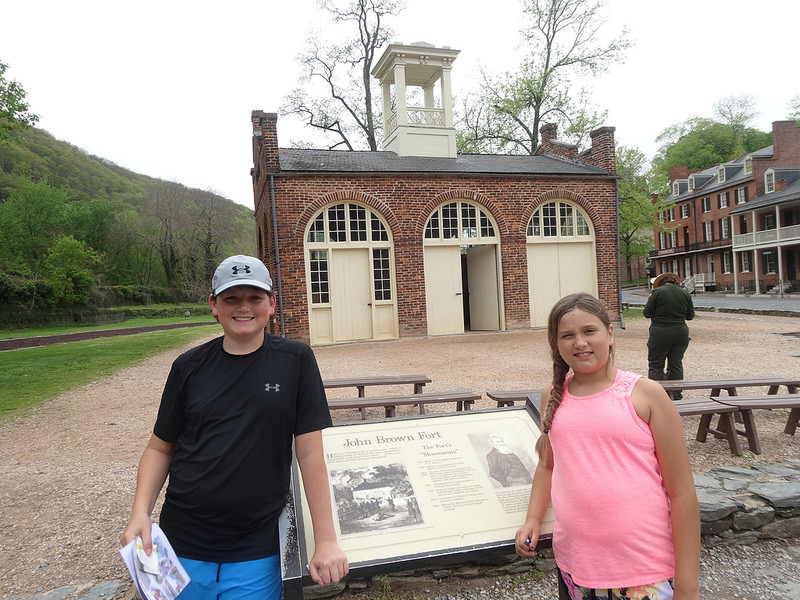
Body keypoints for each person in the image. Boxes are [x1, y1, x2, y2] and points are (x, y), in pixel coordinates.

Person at [120, 254, 348, 599]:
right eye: (231, 298)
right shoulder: (188, 367)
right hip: (180, 542)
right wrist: (140, 513)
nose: (244, 307)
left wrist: (327, 540)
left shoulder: (296, 361)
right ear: (214, 305)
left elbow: (311, 455)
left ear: (271, 304)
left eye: (254, 298)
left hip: (255, 548)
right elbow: (159, 447)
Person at [515, 292, 700, 600]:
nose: (580, 343)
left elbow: (682, 493)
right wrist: (532, 518)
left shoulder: (646, 394)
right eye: (567, 335)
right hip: (577, 566)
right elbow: (548, 464)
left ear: (610, 334)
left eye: (590, 331)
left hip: (644, 568)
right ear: (556, 344)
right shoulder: (552, 396)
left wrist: (687, 585)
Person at [643, 272, 695, 400]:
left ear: (660, 283)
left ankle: (656, 396)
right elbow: (690, 316)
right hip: (681, 333)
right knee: (676, 364)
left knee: (656, 364)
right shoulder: (685, 293)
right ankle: (676, 394)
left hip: (660, 332)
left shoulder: (657, 293)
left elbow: (647, 313)